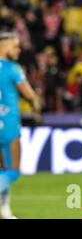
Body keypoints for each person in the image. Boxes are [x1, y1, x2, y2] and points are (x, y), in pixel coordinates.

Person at [0, 32, 41, 219]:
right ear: (5, 47)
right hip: (8, 126)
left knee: (2, 171)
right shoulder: (14, 69)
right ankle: (6, 210)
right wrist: (36, 109)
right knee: (12, 171)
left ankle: (5, 210)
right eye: (15, 47)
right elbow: (30, 95)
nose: (18, 51)